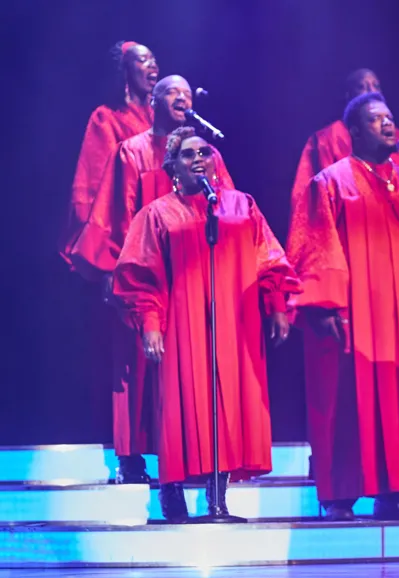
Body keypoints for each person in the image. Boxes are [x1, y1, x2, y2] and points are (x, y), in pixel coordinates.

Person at [287, 92, 399, 522]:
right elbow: (315, 246)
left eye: (389, 118)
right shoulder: (330, 181)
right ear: (355, 131)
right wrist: (323, 304)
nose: (388, 125)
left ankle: (395, 489)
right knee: (348, 399)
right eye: (376, 119)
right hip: (356, 313)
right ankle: (341, 496)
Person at [112, 127, 298, 521]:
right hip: (183, 323)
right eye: (188, 154)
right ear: (172, 167)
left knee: (228, 404)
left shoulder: (240, 205)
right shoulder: (157, 214)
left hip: (234, 321)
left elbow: (268, 258)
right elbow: (139, 275)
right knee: (181, 403)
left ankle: (218, 500)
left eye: (204, 152)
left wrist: (278, 304)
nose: (198, 158)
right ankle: (171, 488)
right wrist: (150, 323)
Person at [68, 75, 235, 484]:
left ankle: (187, 457)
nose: (184, 98)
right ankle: (130, 457)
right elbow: (115, 216)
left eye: (189, 94)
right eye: (174, 93)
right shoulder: (132, 152)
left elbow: (228, 207)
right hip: (145, 273)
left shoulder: (203, 154)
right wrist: (115, 271)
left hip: (194, 275)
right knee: (134, 366)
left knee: (190, 368)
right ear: (154, 101)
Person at [289, 68, 399, 250]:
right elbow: (307, 199)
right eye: (362, 87)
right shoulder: (326, 140)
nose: (371, 91)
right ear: (348, 95)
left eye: (376, 86)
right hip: (349, 240)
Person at [60, 41, 158, 260]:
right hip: (123, 229)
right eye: (143, 60)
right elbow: (93, 185)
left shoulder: (159, 121)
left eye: (154, 60)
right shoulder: (106, 118)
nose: (153, 65)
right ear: (125, 70)